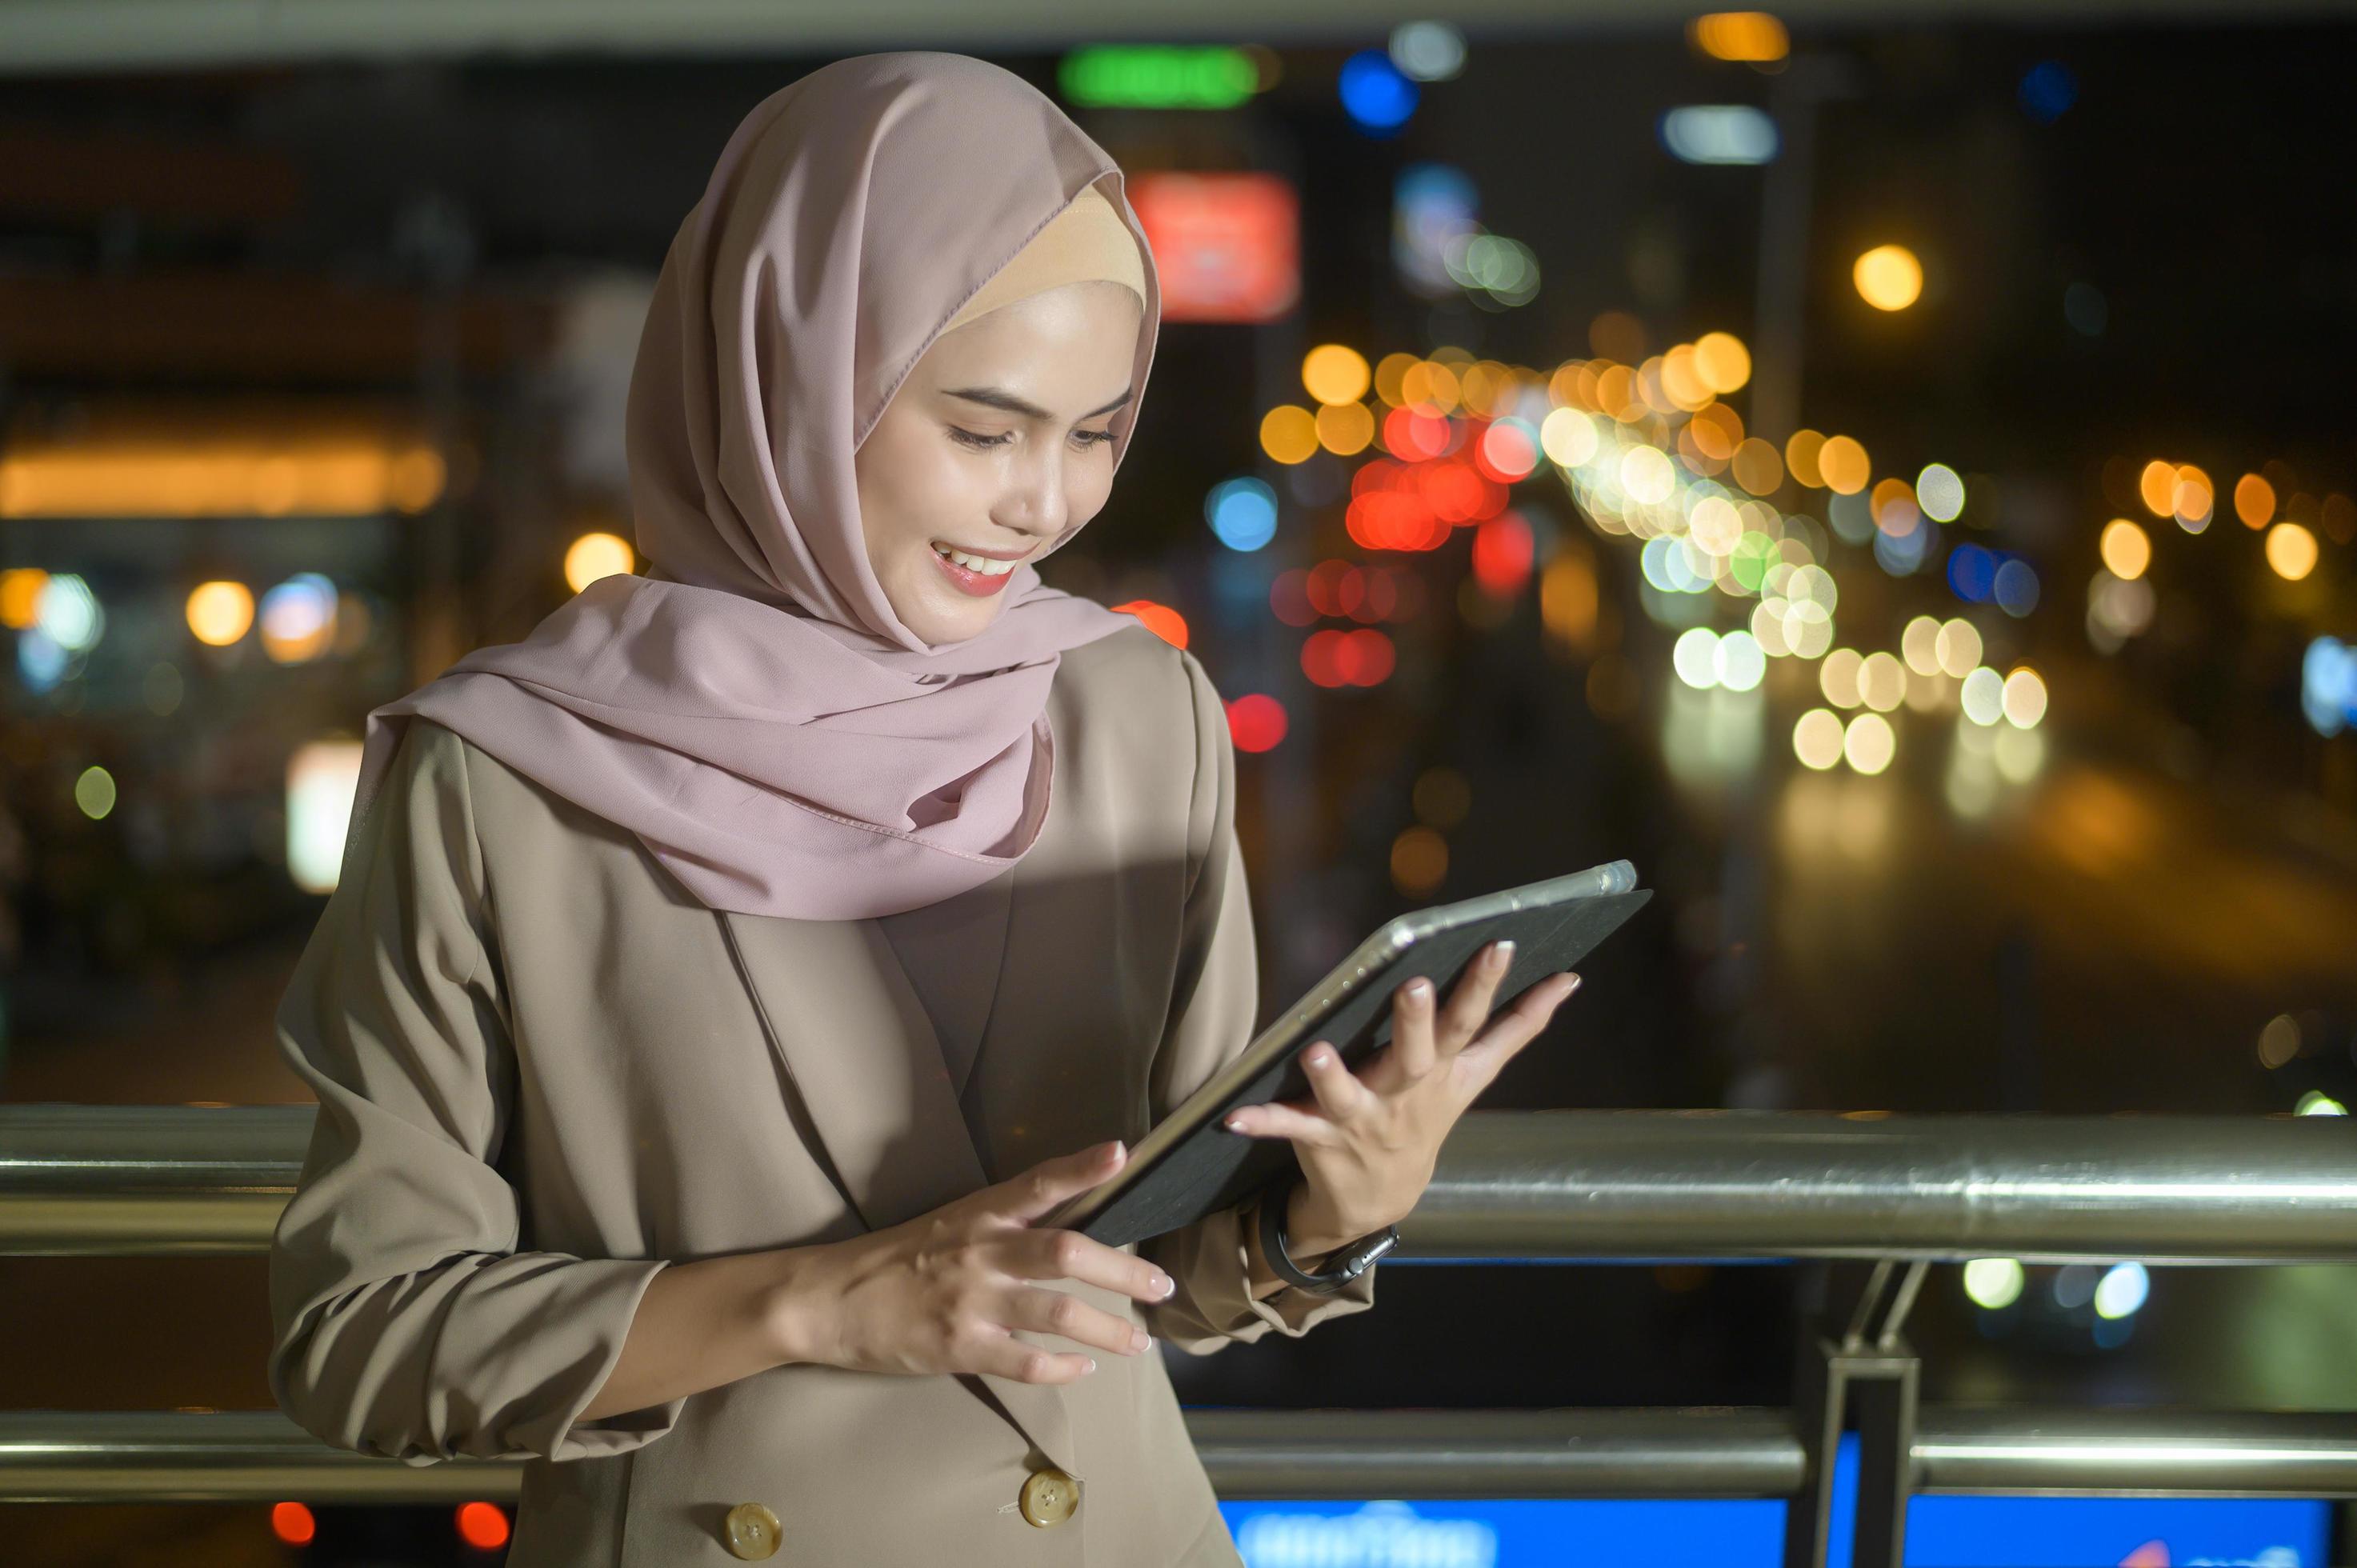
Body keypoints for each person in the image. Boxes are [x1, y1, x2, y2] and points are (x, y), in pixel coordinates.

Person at [266, 51, 1582, 1566]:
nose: (1046, 505)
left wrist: (1329, 1207)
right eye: (983, 428)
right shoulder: (499, 778)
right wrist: (819, 1303)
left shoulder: (1136, 712)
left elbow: (1162, 1257)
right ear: (787, 375)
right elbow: (356, 1339)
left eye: (1096, 432)